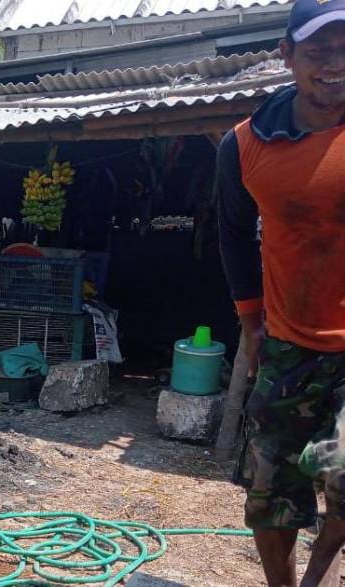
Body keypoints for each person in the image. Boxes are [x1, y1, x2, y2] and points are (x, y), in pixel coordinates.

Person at [216, 1, 345, 584]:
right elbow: (233, 232)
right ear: (287, 54)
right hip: (288, 347)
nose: (335, 65)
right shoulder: (246, 145)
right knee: (271, 497)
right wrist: (250, 321)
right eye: (319, 51)